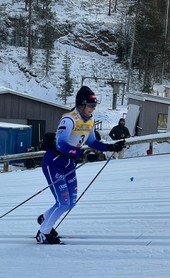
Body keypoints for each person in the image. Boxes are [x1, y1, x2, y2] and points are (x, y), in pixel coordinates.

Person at [36, 86, 125, 244]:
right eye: (90, 106)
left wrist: (111, 146)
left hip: (69, 163)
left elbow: (91, 142)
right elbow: (61, 144)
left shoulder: (89, 121)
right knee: (63, 202)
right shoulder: (69, 119)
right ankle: (43, 233)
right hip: (54, 163)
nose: (92, 109)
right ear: (81, 105)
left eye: (94, 106)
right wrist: (82, 154)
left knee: (70, 203)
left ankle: (46, 219)